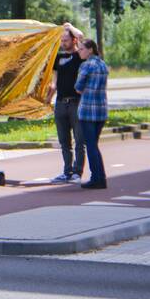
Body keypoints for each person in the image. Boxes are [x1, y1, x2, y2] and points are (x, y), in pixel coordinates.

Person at [48, 22, 86, 184]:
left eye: (66, 40)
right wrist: (48, 98)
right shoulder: (58, 58)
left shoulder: (79, 56)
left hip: (77, 103)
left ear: (73, 41)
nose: (63, 43)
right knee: (64, 141)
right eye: (61, 40)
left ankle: (77, 172)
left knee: (79, 140)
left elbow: (81, 36)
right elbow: (54, 83)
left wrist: (69, 27)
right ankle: (67, 171)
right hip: (61, 103)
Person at [74, 38, 109, 189]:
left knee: (91, 145)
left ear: (90, 50)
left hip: (88, 110)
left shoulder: (86, 65)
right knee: (94, 144)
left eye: (81, 49)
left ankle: (97, 178)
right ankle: (100, 176)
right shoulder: (102, 64)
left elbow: (78, 87)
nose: (79, 51)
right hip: (101, 109)